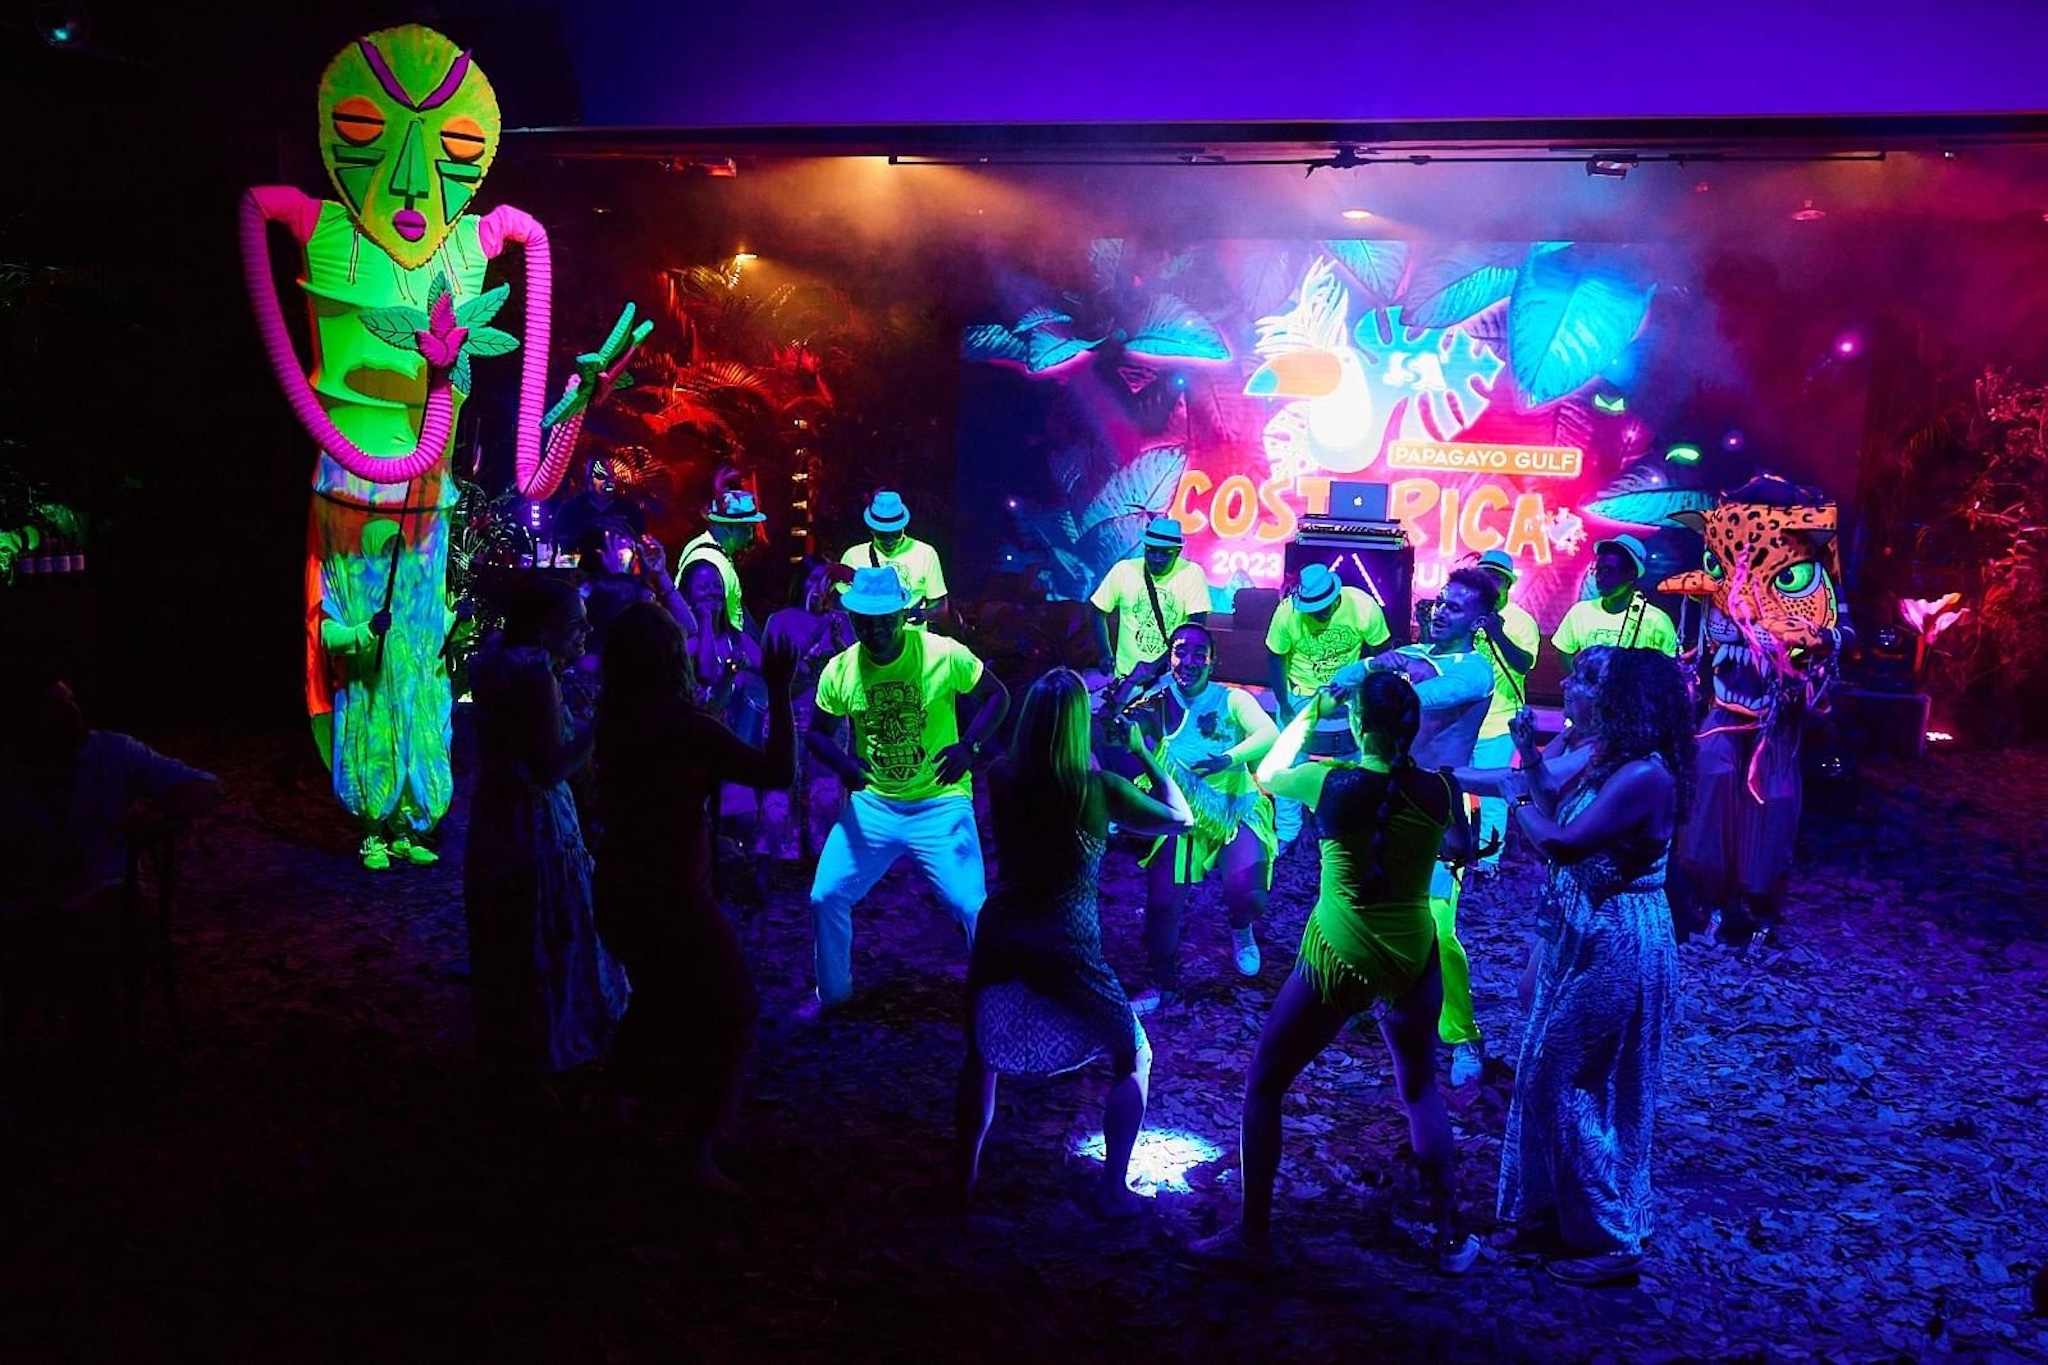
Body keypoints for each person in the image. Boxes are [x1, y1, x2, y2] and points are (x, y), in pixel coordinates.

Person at [1184, 671, 1479, 1274]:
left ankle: (1253, 1235)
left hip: (1339, 950)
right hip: (1411, 952)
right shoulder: (1440, 788)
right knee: (1420, 1089)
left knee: (1265, 1084)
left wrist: (1313, 710)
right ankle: (1451, 1239)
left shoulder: (1330, 781)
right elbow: (1459, 847)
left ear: (1359, 726)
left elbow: (1269, 772)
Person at [955, 670, 1193, 1217]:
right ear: (1080, 725)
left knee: (979, 1057)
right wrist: (1144, 753)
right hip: (1066, 938)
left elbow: (1046, 787)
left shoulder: (1001, 775)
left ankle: (960, 1183)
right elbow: (1180, 819)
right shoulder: (1099, 790)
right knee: (1134, 1054)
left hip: (1002, 930)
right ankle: (1112, 1191)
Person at [1494, 648, 1694, 1287]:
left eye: (1601, 685)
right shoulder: (1612, 759)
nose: (1587, 692)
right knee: (1552, 1073)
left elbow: (1562, 842)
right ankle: (1558, 1214)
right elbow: (1556, 805)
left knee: (1562, 1078)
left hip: (1618, 937)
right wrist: (1529, 760)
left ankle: (1611, 1238)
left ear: (1631, 700)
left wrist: (1513, 801)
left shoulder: (1646, 776)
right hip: (1584, 927)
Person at [595, 602, 797, 1195]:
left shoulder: (615, 719)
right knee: (735, 1011)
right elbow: (777, 772)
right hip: (673, 896)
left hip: (618, 885)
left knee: (652, 1000)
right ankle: (694, 1151)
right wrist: (779, 689)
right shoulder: (686, 729)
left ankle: (609, 1112)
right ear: (668, 659)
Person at [803, 566, 1010, 1015]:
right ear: (853, 618)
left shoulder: (941, 653)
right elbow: (816, 733)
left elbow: (999, 696)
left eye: (884, 619)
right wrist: (843, 764)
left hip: (940, 801)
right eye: (865, 620)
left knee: (972, 905)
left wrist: (969, 746)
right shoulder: (841, 670)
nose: (875, 629)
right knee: (826, 896)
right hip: (874, 804)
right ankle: (832, 995)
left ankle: (992, 1003)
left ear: (902, 615)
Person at [462, 578, 628, 1104]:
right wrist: (601, 727)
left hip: (495, 812)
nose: (585, 633)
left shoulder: (496, 662)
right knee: (545, 926)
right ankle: (544, 1057)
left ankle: (510, 1050)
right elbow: (550, 767)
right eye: (575, 624)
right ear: (543, 629)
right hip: (532, 818)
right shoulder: (536, 675)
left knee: (506, 932)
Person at [1331, 567, 1499, 1086]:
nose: (1440, 612)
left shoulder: (1476, 670)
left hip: (1439, 809)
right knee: (1367, 905)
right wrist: (1373, 665)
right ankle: (1369, 996)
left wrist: (1395, 670)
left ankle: (1463, 1037)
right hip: (1386, 801)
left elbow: (1415, 700)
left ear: (1479, 622)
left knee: (1439, 930)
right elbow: (1346, 679)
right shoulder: (1414, 655)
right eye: (1440, 601)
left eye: (1454, 607)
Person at [0, 663, 220, 1059]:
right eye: (56, 710)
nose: (73, 714)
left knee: (88, 947)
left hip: (104, 894)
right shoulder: (13, 777)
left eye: (71, 702)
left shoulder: (112, 752)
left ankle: (96, 1061)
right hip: (29, 901)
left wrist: (159, 814)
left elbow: (204, 787)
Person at [1116, 622, 1278, 1010]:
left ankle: (1241, 927)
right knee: (1162, 907)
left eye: (1198, 653)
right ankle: (1164, 985)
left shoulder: (1231, 699)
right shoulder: (1156, 701)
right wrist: (1131, 683)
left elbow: (1268, 733)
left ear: (1212, 660)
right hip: (1181, 816)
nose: (1188, 660)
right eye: (1179, 651)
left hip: (1233, 809)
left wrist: (1228, 758)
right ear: (1169, 656)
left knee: (1250, 897)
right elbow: (1115, 725)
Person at [1460, 647, 1613, 1014]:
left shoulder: (1608, 749)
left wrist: (1445, 775)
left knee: (1558, 1002)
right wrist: (1527, 750)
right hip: (1571, 889)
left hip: (1603, 902)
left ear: (1606, 697)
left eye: (1578, 679)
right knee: (1535, 993)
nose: (1563, 682)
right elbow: (1536, 783)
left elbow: (1536, 789)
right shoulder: (1574, 736)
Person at [1262, 562, 1392, 847]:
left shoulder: (1363, 606)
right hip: (1300, 692)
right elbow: (1275, 656)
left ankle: (1351, 827)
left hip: (1349, 691)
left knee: (1358, 760)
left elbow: (1382, 654)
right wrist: (1284, 703)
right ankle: (1287, 833)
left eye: (1322, 607)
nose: (1318, 614)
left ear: (1335, 597)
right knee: (1289, 763)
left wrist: (1371, 697)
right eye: (1311, 609)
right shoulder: (1287, 612)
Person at [760, 556, 857, 862]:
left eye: (826, 581)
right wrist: (808, 657)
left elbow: (856, 671)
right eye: (813, 579)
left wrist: (837, 640)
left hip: (828, 720)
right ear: (800, 582)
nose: (819, 588)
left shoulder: (842, 621)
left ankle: (824, 861)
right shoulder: (780, 620)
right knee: (779, 793)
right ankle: (771, 862)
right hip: (786, 715)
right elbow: (769, 675)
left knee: (827, 792)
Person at [1467, 549, 1542, 874]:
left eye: (1496, 579)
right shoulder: (1466, 613)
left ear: (1508, 584)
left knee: (1494, 795)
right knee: (1453, 789)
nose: (1489, 584)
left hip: (1498, 721)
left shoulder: (1521, 621)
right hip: (1462, 722)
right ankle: (1453, 852)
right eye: (1484, 577)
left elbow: (1524, 664)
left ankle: (1489, 862)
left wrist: (1497, 631)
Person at [1089, 516, 1211, 681]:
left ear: (1178, 552)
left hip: (1171, 678)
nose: (1156, 559)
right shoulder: (1124, 570)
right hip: (1127, 678)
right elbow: (1097, 610)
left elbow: (1195, 632)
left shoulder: (1191, 573)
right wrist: (1105, 653)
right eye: (1151, 550)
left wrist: (1154, 667)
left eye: (1165, 553)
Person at [1551, 534, 1679, 662]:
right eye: (1599, 570)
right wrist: (1580, 674)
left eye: (1609, 571)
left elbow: (1674, 663)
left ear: (1631, 575)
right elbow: (1563, 651)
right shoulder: (1580, 612)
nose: (1600, 577)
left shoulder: (1656, 620)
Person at [839, 489, 950, 632]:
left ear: (904, 527)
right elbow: (842, 606)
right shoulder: (853, 557)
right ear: (871, 529)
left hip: (911, 639)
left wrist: (922, 614)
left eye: (896, 533)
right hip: (869, 639)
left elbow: (941, 608)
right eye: (883, 534)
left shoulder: (926, 554)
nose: (890, 540)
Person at [674, 485, 766, 634]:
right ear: (730, 528)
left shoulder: (695, 545)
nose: (752, 534)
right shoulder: (714, 565)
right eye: (749, 526)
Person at [550, 452, 648, 553]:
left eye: (611, 476)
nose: (608, 481)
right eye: (601, 476)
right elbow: (557, 540)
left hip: (621, 562)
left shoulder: (629, 508)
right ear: (588, 479)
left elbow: (642, 541)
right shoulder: (570, 509)